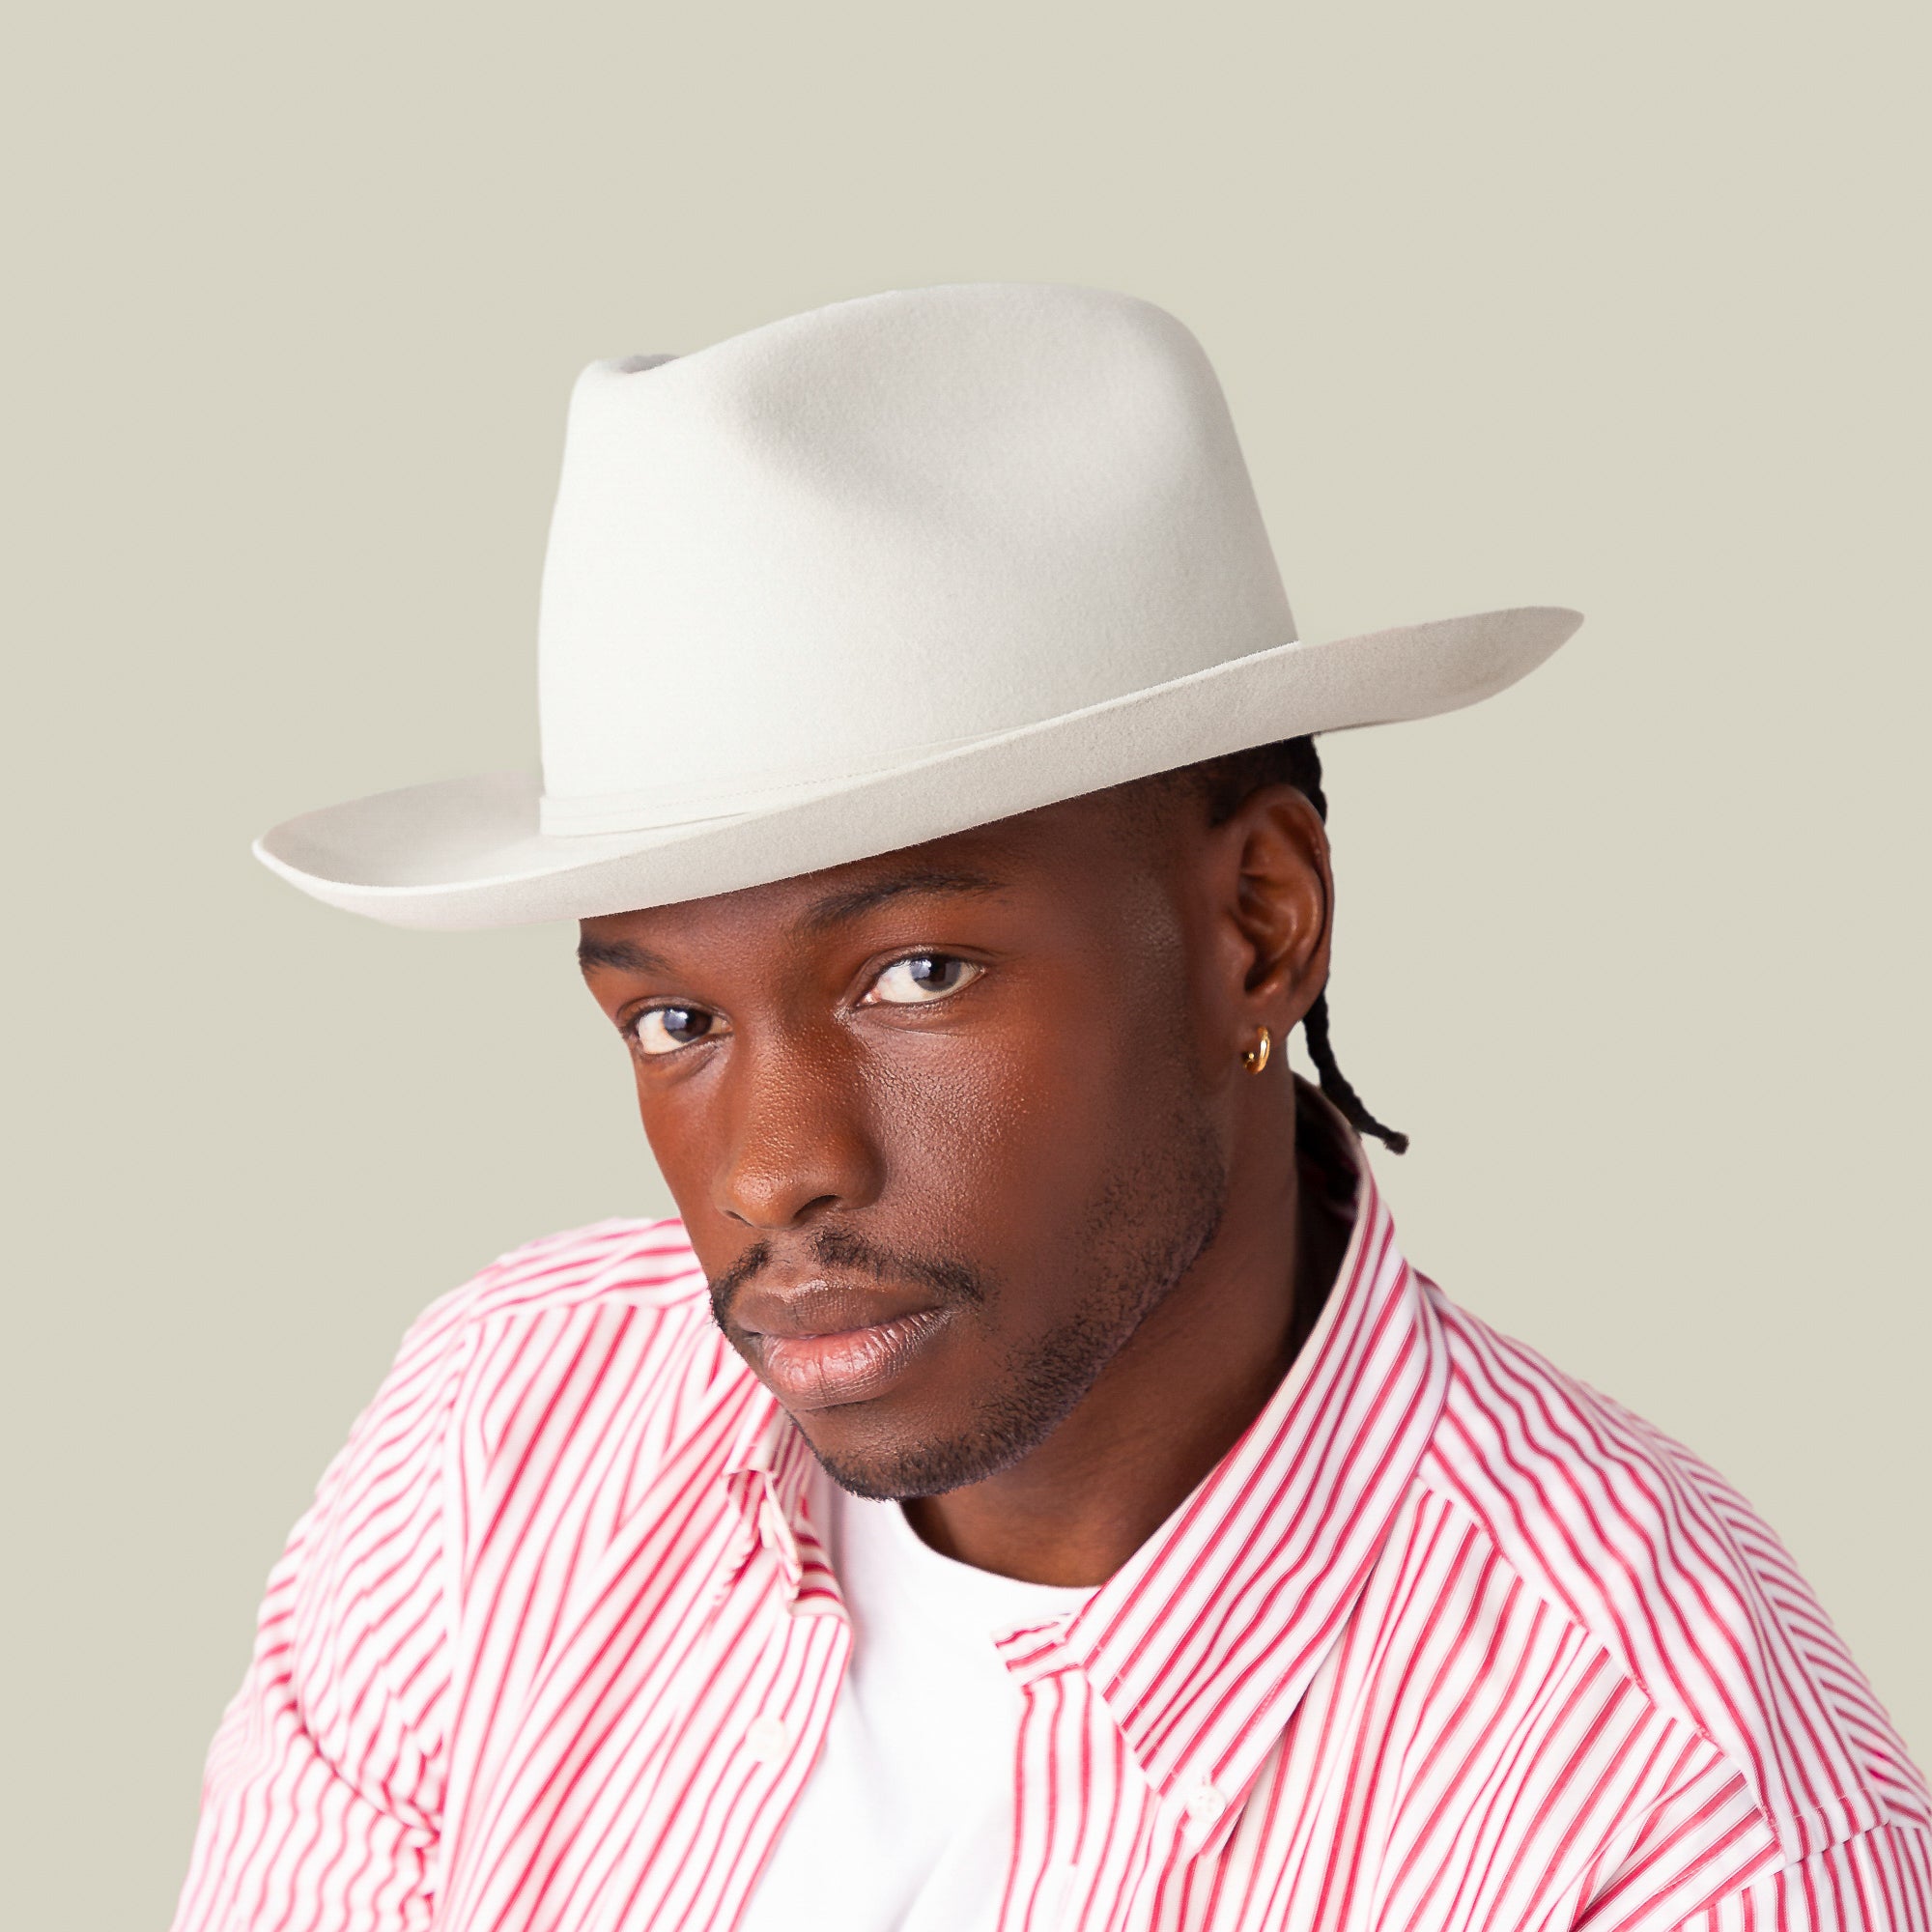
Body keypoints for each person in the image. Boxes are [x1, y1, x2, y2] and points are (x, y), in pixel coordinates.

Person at [176, 285, 1928, 1930]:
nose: (773, 1173)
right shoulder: (506, 1431)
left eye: (918, 973)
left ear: (1260, 929)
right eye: (676, 1019)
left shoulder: (1676, 1812)